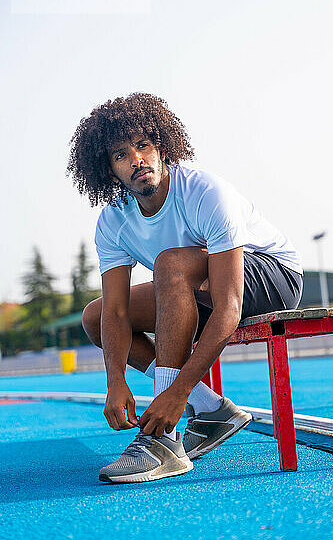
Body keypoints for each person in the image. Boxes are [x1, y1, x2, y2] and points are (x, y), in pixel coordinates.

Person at [67, 92, 303, 484]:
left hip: (272, 274)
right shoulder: (113, 222)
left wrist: (177, 392)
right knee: (94, 316)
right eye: (121, 155)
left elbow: (229, 303)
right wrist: (115, 381)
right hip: (194, 283)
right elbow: (116, 313)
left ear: (162, 147)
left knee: (170, 265)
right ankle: (211, 410)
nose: (137, 159)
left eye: (144, 145)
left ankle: (163, 442)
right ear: (110, 171)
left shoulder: (206, 193)